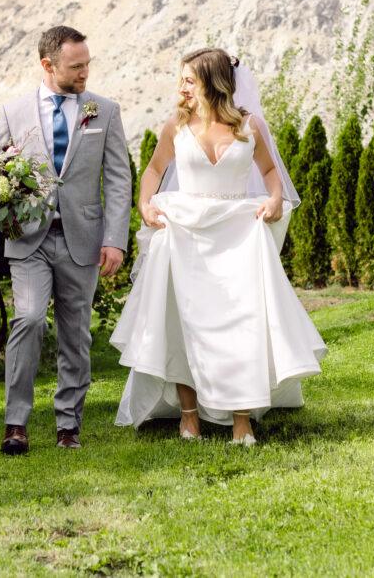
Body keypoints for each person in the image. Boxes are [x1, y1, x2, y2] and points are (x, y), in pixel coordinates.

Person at [112, 47, 327, 445]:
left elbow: (269, 172)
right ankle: (189, 417)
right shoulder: (175, 127)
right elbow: (155, 170)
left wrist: (275, 198)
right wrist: (145, 204)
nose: (182, 87)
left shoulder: (250, 127)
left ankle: (240, 420)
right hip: (184, 232)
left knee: (239, 325)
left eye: (190, 79)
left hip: (236, 234)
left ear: (213, 82)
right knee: (182, 323)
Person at [0, 25, 132, 454]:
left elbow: (118, 179)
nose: (85, 72)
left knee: (76, 334)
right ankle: (16, 423)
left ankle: (68, 425)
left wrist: (115, 239)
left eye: (88, 63)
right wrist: (8, 222)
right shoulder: (12, 113)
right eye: (76, 66)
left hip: (83, 239)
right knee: (30, 319)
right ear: (47, 65)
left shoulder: (104, 111)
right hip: (29, 241)